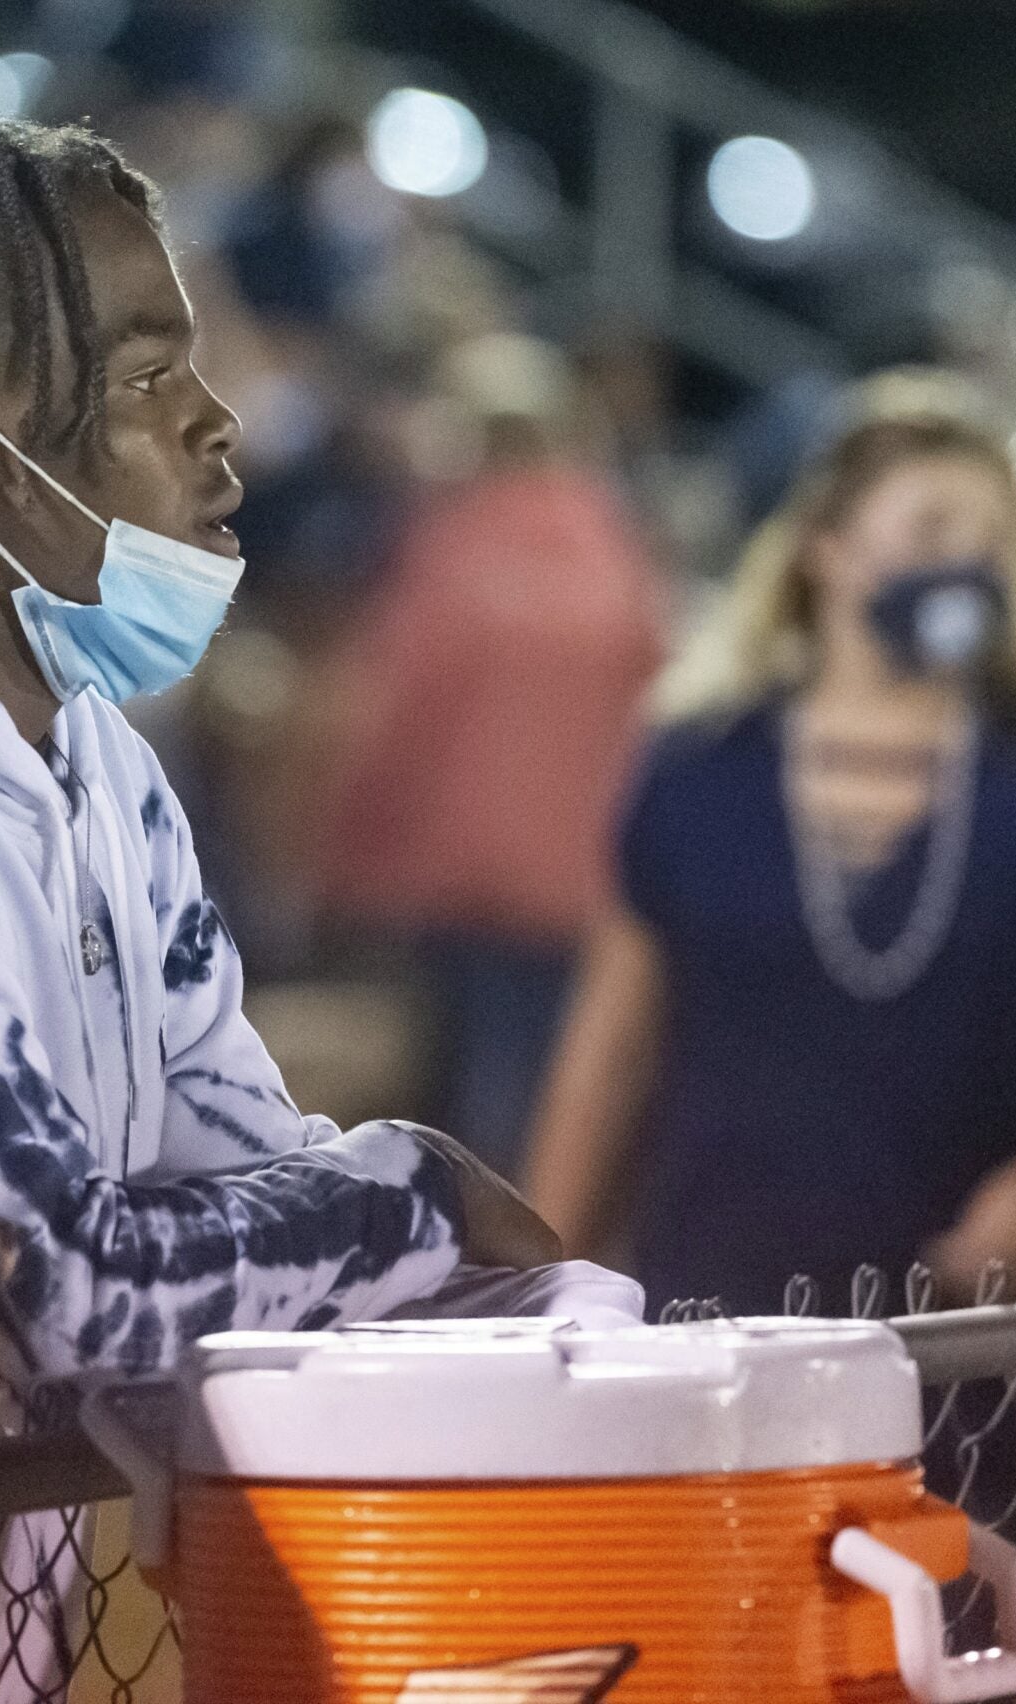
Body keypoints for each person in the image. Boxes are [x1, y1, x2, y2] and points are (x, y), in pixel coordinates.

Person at [0, 110, 581, 1704]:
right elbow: (42, 1281)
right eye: (148, 375)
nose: (219, 422)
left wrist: (491, 1287)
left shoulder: (96, 763)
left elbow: (237, 1181)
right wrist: (416, 1197)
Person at [524, 375, 1016, 1318]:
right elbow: (608, 1055)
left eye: (994, 542)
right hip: (722, 1328)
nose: (967, 566)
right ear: (825, 549)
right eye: (933, 528)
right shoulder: (701, 771)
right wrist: (542, 1294)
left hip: (987, 1344)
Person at [312, 332, 667, 1174]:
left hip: (456, 892)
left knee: (459, 1115)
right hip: (584, 886)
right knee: (555, 1105)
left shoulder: (450, 551)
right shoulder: (620, 555)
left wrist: (339, 866)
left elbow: (392, 719)